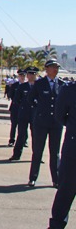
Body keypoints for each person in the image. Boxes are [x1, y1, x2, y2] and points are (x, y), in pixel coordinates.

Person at [27, 59, 65, 187]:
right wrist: (39, 109)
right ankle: (33, 177)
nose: (56, 69)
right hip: (41, 122)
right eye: (53, 67)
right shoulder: (39, 84)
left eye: (57, 67)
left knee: (55, 153)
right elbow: (30, 99)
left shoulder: (61, 84)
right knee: (38, 151)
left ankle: (56, 179)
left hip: (56, 124)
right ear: (47, 69)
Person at [49, 81, 76, 228]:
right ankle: (57, 224)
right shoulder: (69, 90)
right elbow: (60, 115)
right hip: (74, 147)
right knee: (66, 188)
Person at [9, 66, 38, 161]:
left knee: (36, 137)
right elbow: (16, 100)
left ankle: (36, 157)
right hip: (24, 114)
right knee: (21, 135)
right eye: (30, 74)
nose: (32, 76)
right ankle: (16, 155)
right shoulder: (22, 87)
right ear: (27, 75)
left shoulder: (39, 87)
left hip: (35, 115)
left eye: (34, 74)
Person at [7, 69, 26, 147]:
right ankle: (12, 140)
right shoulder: (15, 85)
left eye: (23, 76)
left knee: (24, 126)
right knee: (14, 125)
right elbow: (11, 95)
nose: (22, 77)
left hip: (24, 109)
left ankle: (24, 141)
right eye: (21, 75)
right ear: (18, 76)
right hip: (15, 108)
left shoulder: (27, 85)